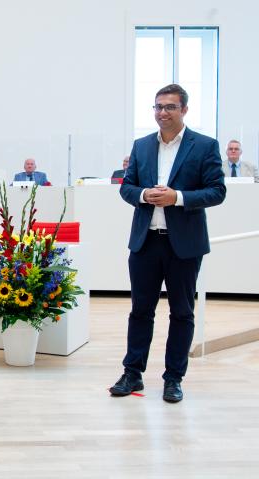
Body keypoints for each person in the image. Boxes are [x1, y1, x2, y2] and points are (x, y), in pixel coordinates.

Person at [110, 84, 226, 403]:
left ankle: (174, 378)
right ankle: (133, 373)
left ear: (184, 110)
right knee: (140, 311)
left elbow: (217, 191)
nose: (162, 112)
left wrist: (178, 198)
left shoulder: (204, 146)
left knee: (182, 313)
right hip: (145, 242)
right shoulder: (142, 146)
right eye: (158, 107)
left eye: (170, 107)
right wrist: (144, 195)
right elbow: (127, 187)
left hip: (184, 246)